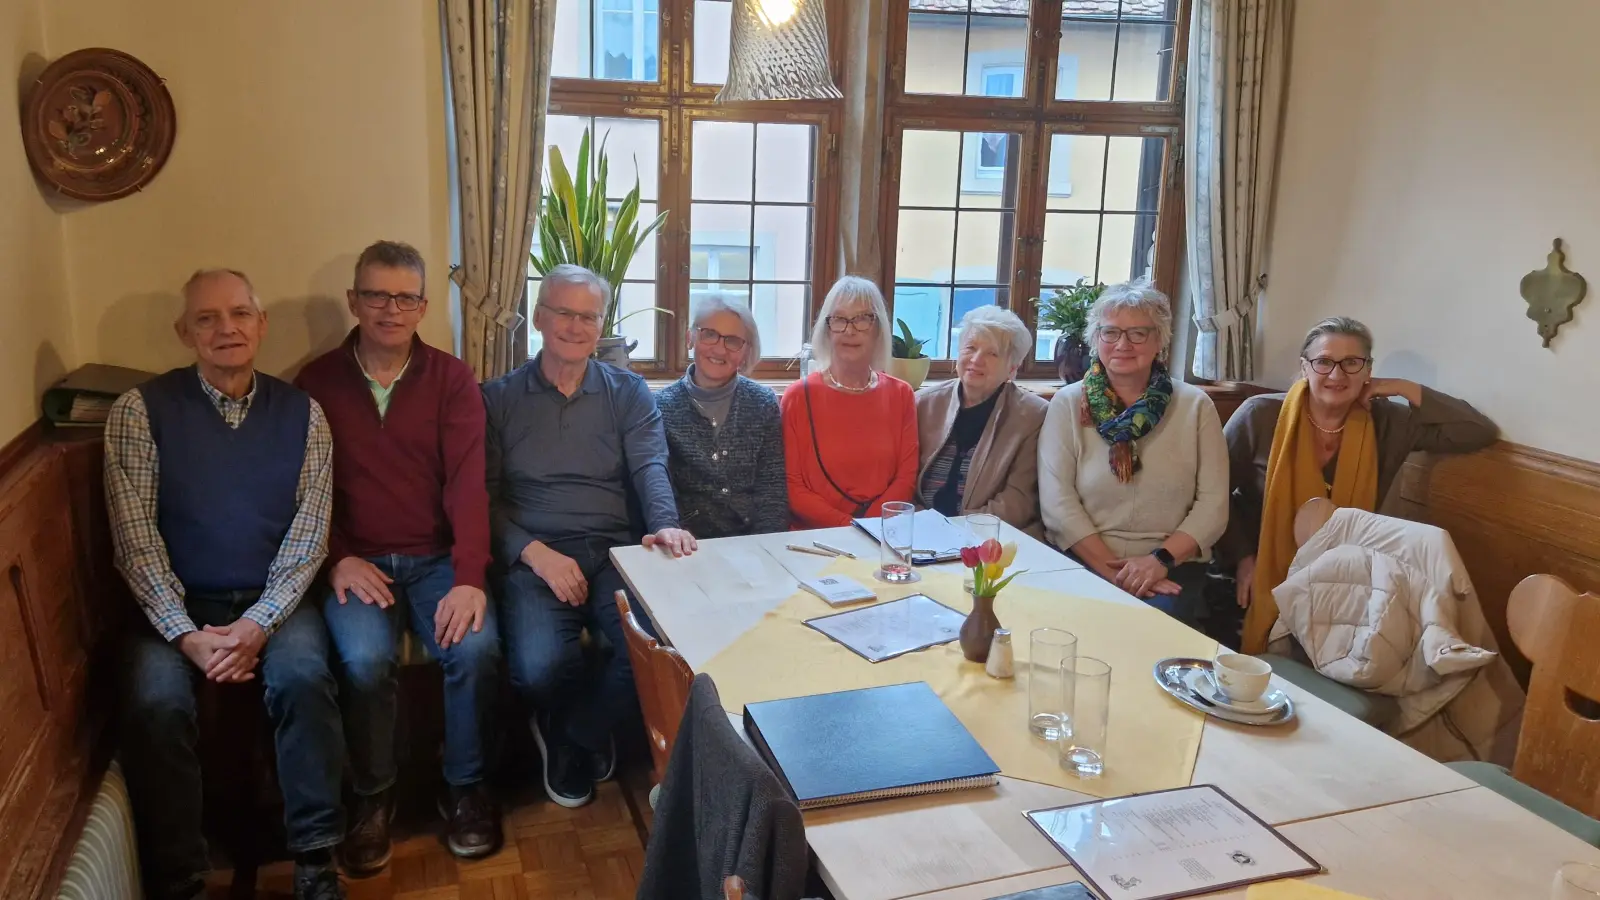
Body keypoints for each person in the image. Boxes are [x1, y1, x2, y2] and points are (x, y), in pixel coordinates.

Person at [106, 269, 346, 900]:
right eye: (207, 318)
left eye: (240, 313)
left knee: (303, 679)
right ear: (184, 332)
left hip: (275, 602)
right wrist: (188, 637)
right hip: (173, 609)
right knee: (155, 704)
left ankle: (316, 860)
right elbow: (136, 544)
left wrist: (257, 625)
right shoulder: (140, 412)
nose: (226, 329)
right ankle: (181, 875)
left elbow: (309, 535)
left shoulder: (303, 414)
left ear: (261, 324)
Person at [294, 241, 501, 870]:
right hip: (360, 561)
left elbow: (468, 483)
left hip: (438, 558)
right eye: (376, 295)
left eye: (405, 297)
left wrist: (469, 578)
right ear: (353, 301)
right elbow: (302, 487)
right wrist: (336, 558)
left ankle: (464, 789)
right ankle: (373, 797)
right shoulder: (315, 383)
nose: (390, 308)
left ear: (423, 307)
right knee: (362, 659)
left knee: (476, 647)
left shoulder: (450, 377)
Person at [483, 264, 698, 810]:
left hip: (613, 553)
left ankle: (572, 734)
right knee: (536, 667)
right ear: (538, 316)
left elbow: (651, 466)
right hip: (535, 557)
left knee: (659, 647)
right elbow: (479, 499)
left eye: (589, 316)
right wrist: (534, 554)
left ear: (601, 323)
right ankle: (563, 718)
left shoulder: (627, 392)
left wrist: (665, 524)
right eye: (563, 312)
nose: (576, 327)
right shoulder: (496, 399)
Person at [1223, 316, 1498, 653]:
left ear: (1368, 370)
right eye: (1323, 362)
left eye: (1352, 363)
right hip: (1253, 574)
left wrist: (1401, 386)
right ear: (1304, 367)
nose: (1337, 375)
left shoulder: (1388, 422)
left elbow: (1477, 431)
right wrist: (1242, 557)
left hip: (1348, 582)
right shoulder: (1260, 415)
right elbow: (1215, 493)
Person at [1038, 281, 1229, 627]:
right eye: (1110, 333)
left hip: (1171, 568)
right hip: (1084, 561)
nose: (1123, 344)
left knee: (1148, 630)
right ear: (1096, 340)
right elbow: (1057, 503)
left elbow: (1214, 506)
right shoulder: (1067, 403)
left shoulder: (1195, 407)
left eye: (1138, 334)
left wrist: (1157, 562)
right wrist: (1115, 573)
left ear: (1160, 340)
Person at [780, 276, 918, 528]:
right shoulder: (797, 397)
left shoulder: (902, 395)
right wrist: (850, 527)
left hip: (883, 535)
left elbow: (905, 479)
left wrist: (870, 528)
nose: (850, 330)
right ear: (827, 328)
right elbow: (793, 487)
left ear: (878, 329)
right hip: (814, 541)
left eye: (863, 319)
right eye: (840, 319)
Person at [657, 294, 787, 538]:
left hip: (752, 544)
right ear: (690, 338)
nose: (719, 348)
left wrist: (770, 549)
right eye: (709, 334)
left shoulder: (763, 403)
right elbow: (662, 490)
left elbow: (772, 491)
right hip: (686, 545)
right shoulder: (661, 406)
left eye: (733, 341)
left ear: (746, 351)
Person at [915, 306, 1049, 537]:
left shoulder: (1033, 415)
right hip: (918, 530)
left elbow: (1019, 500)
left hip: (990, 538)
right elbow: (904, 479)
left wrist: (957, 531)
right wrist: (917, 522)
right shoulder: (923, 404)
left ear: (1012, 368)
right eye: (971, 347)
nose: (976, 360)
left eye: (992, 353)